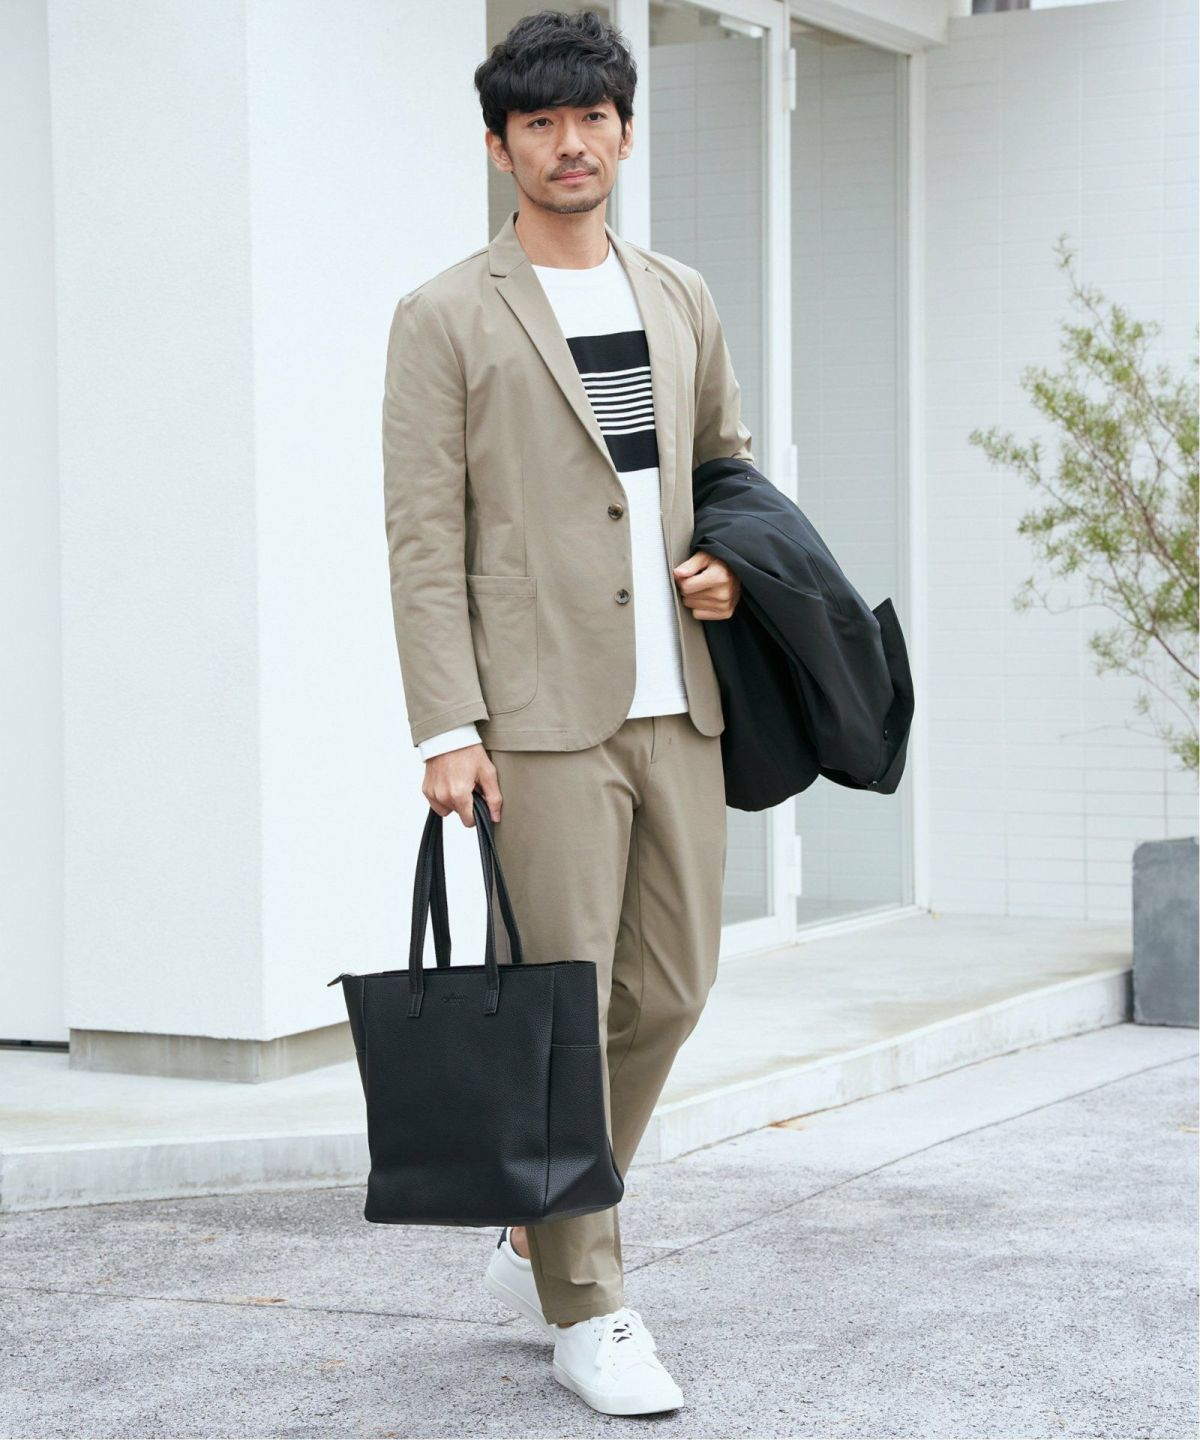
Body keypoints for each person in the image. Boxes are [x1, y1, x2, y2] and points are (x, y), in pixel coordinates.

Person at [381, 7, 753, 1417]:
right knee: (563, 1009)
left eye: (591, 116)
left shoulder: (679, 294)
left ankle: (538, 1221)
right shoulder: (445, 315)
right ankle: (589, 1305)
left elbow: (724, 468)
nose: (569, 142)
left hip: (680, 698)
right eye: (538, 123)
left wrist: (733, 570)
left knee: (673, 989)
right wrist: (446, 726)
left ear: (625, 131)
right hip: (536, 716)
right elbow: (424, 534)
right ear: (501, 149)